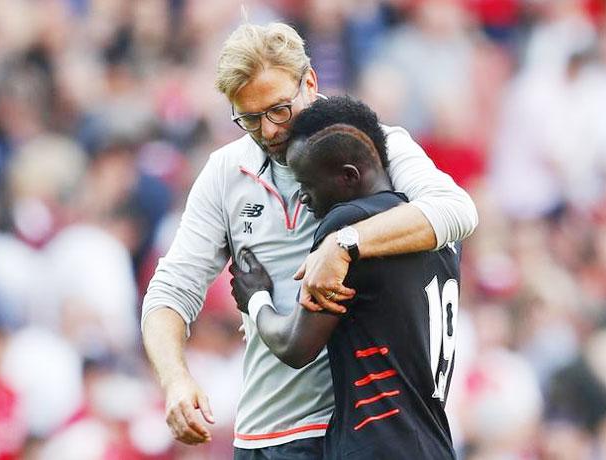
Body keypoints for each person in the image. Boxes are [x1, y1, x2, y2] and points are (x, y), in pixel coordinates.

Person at [141, 22, 476, 457]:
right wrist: (175, 380)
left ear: (311, 82)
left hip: (357, 431)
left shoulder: (377, 147)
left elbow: (457, 210)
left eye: (279, 109)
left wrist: (345, 244)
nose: (269, 131)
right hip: (267, 433)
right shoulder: (226, 172)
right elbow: (170, 290)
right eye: (249, 118)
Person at [230, 97, 460, 459]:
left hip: (377, 446)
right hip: (434, 443)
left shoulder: (347, 224)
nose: (302, 196)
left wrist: (256, 298)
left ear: (349, 176)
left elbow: (296, 346)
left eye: (306, 182)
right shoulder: (436, 236)